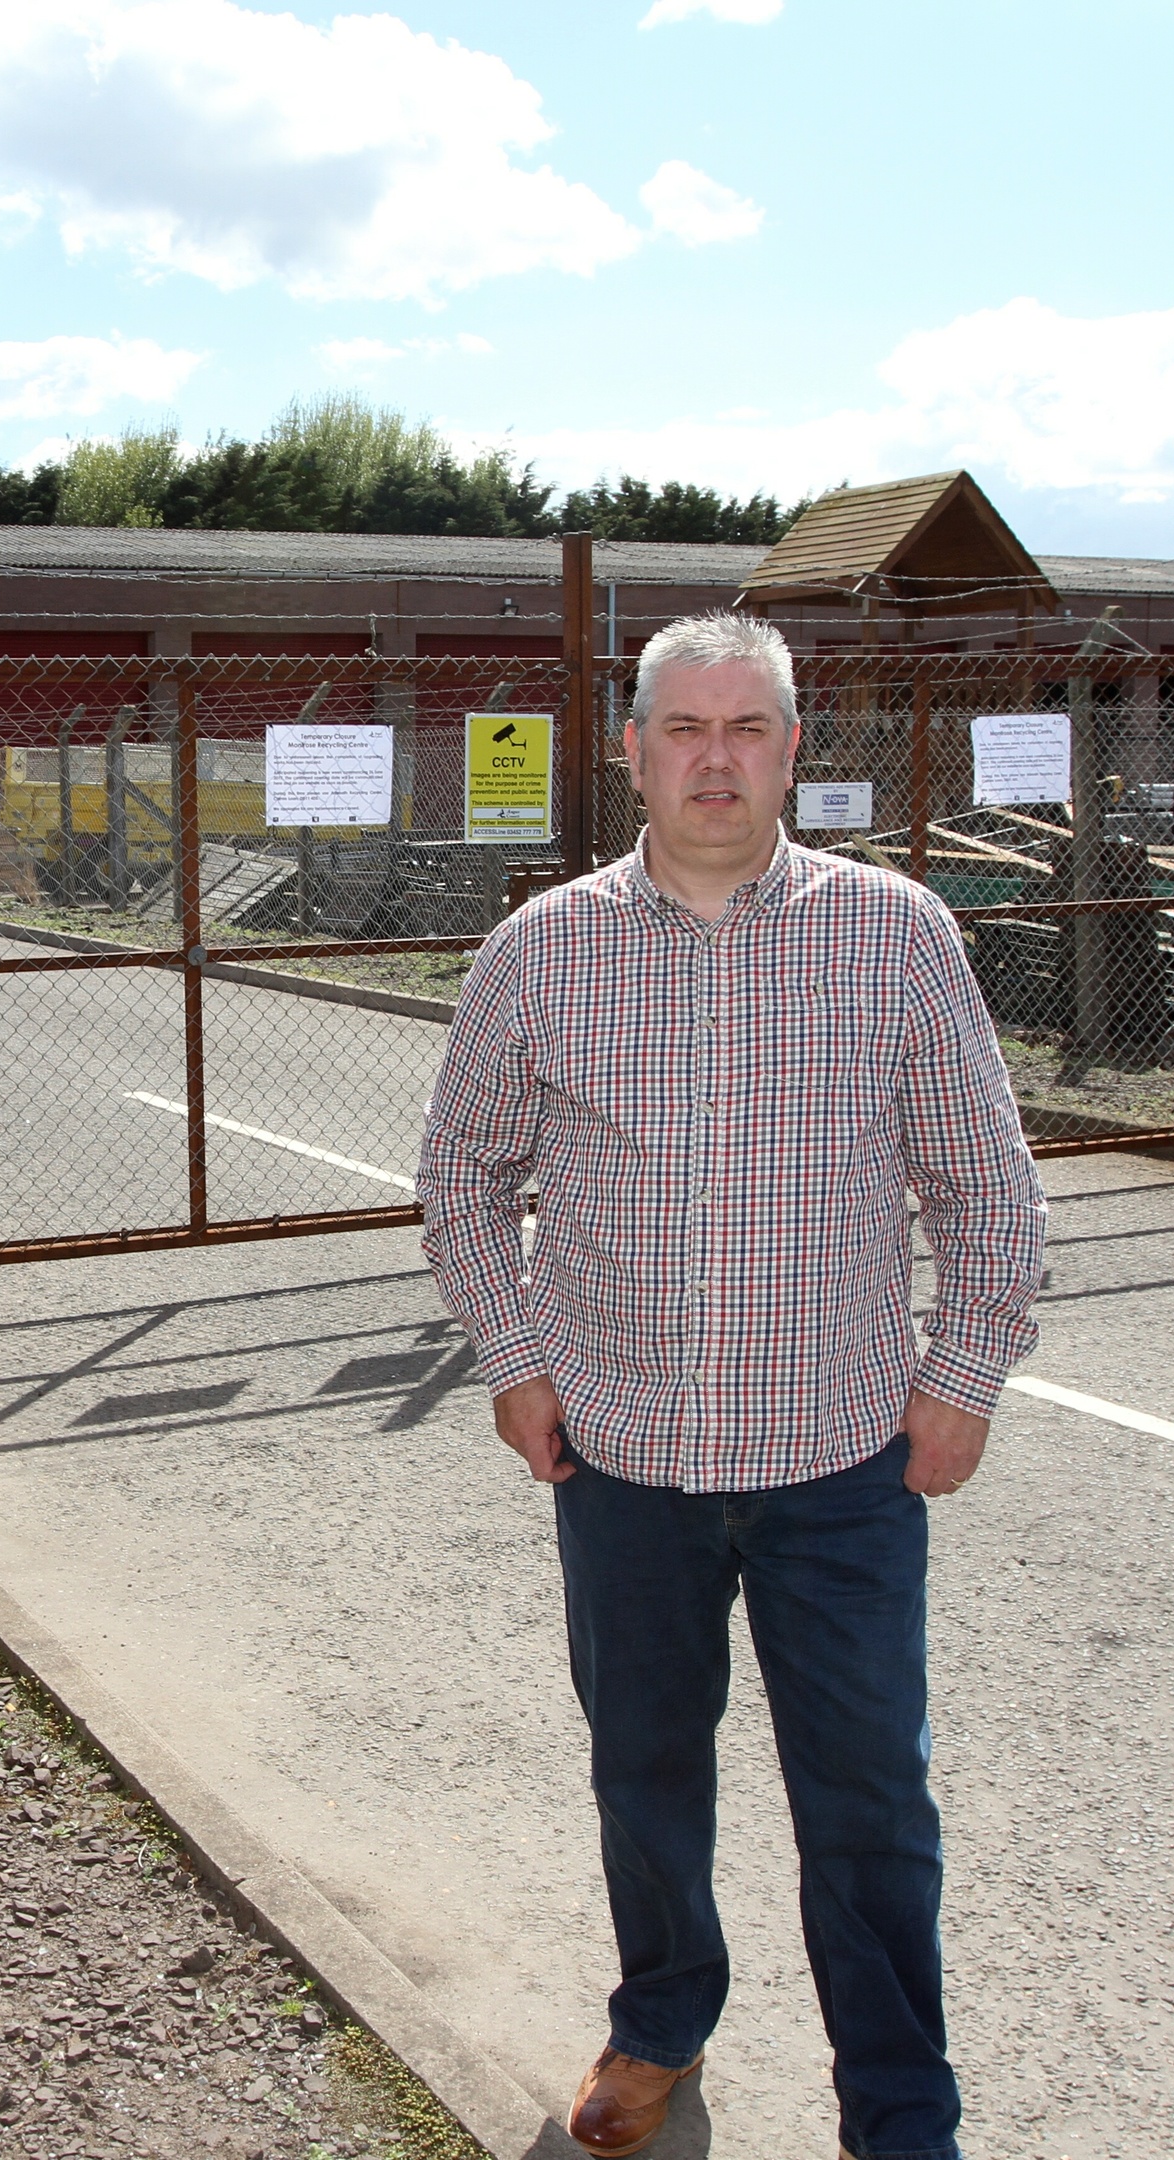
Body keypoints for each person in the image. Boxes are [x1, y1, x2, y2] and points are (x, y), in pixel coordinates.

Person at [415, 612, 1044, 2160]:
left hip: (843, 1466)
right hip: (622, 1464)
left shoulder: (895, 934)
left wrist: (962, 1377)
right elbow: (460, 1177)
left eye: (746, 727)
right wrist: (515, 1362)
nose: (715, 756)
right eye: (683, 728)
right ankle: (662, 2026)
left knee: (869, 1807)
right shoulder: (541, 949)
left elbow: (988, 1183)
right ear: (630, 751)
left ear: (790, 751)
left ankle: (900, 2115)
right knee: (644, 1772)